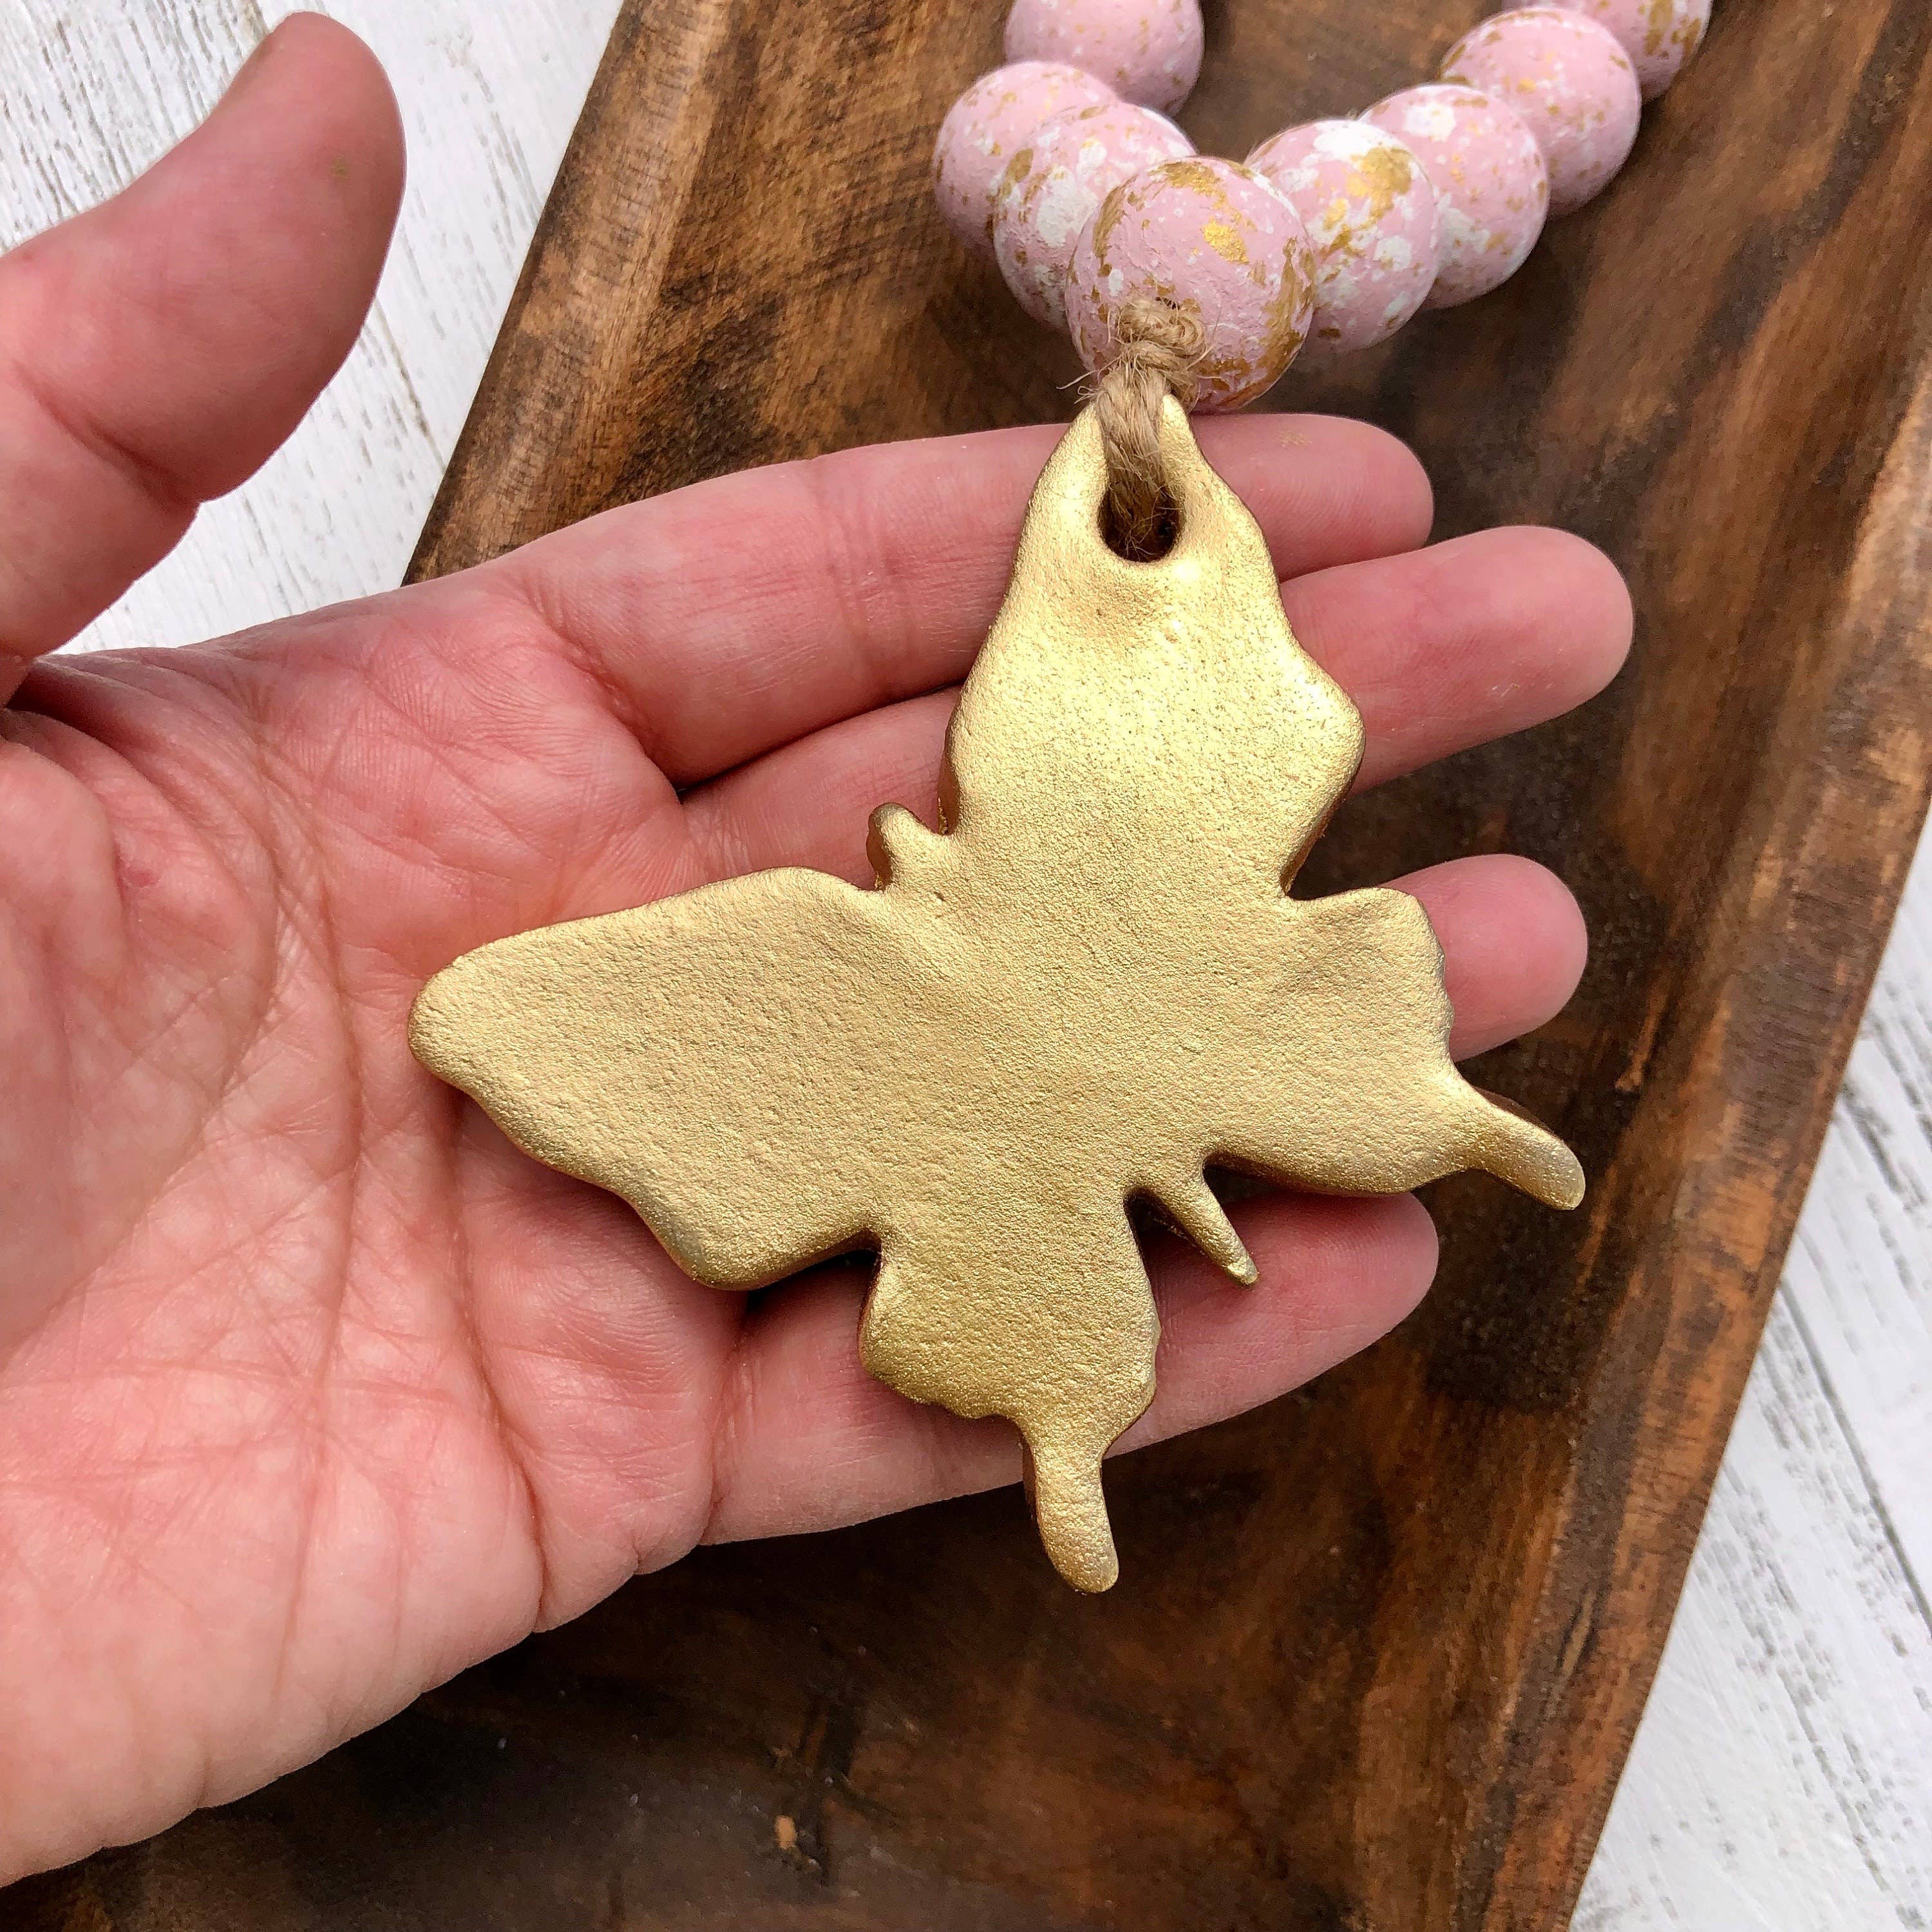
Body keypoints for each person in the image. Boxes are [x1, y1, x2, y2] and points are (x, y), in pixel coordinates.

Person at [0, 14, 1631, 1882]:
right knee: (1229, 1136)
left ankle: (1382, 1173)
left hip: (1013, 1149)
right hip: (1186, 1027)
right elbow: (507, 1027)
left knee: (1091, 1212)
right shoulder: (1051, 822)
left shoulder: (823, 969)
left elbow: (555, 1022)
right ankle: (1368, 1179)